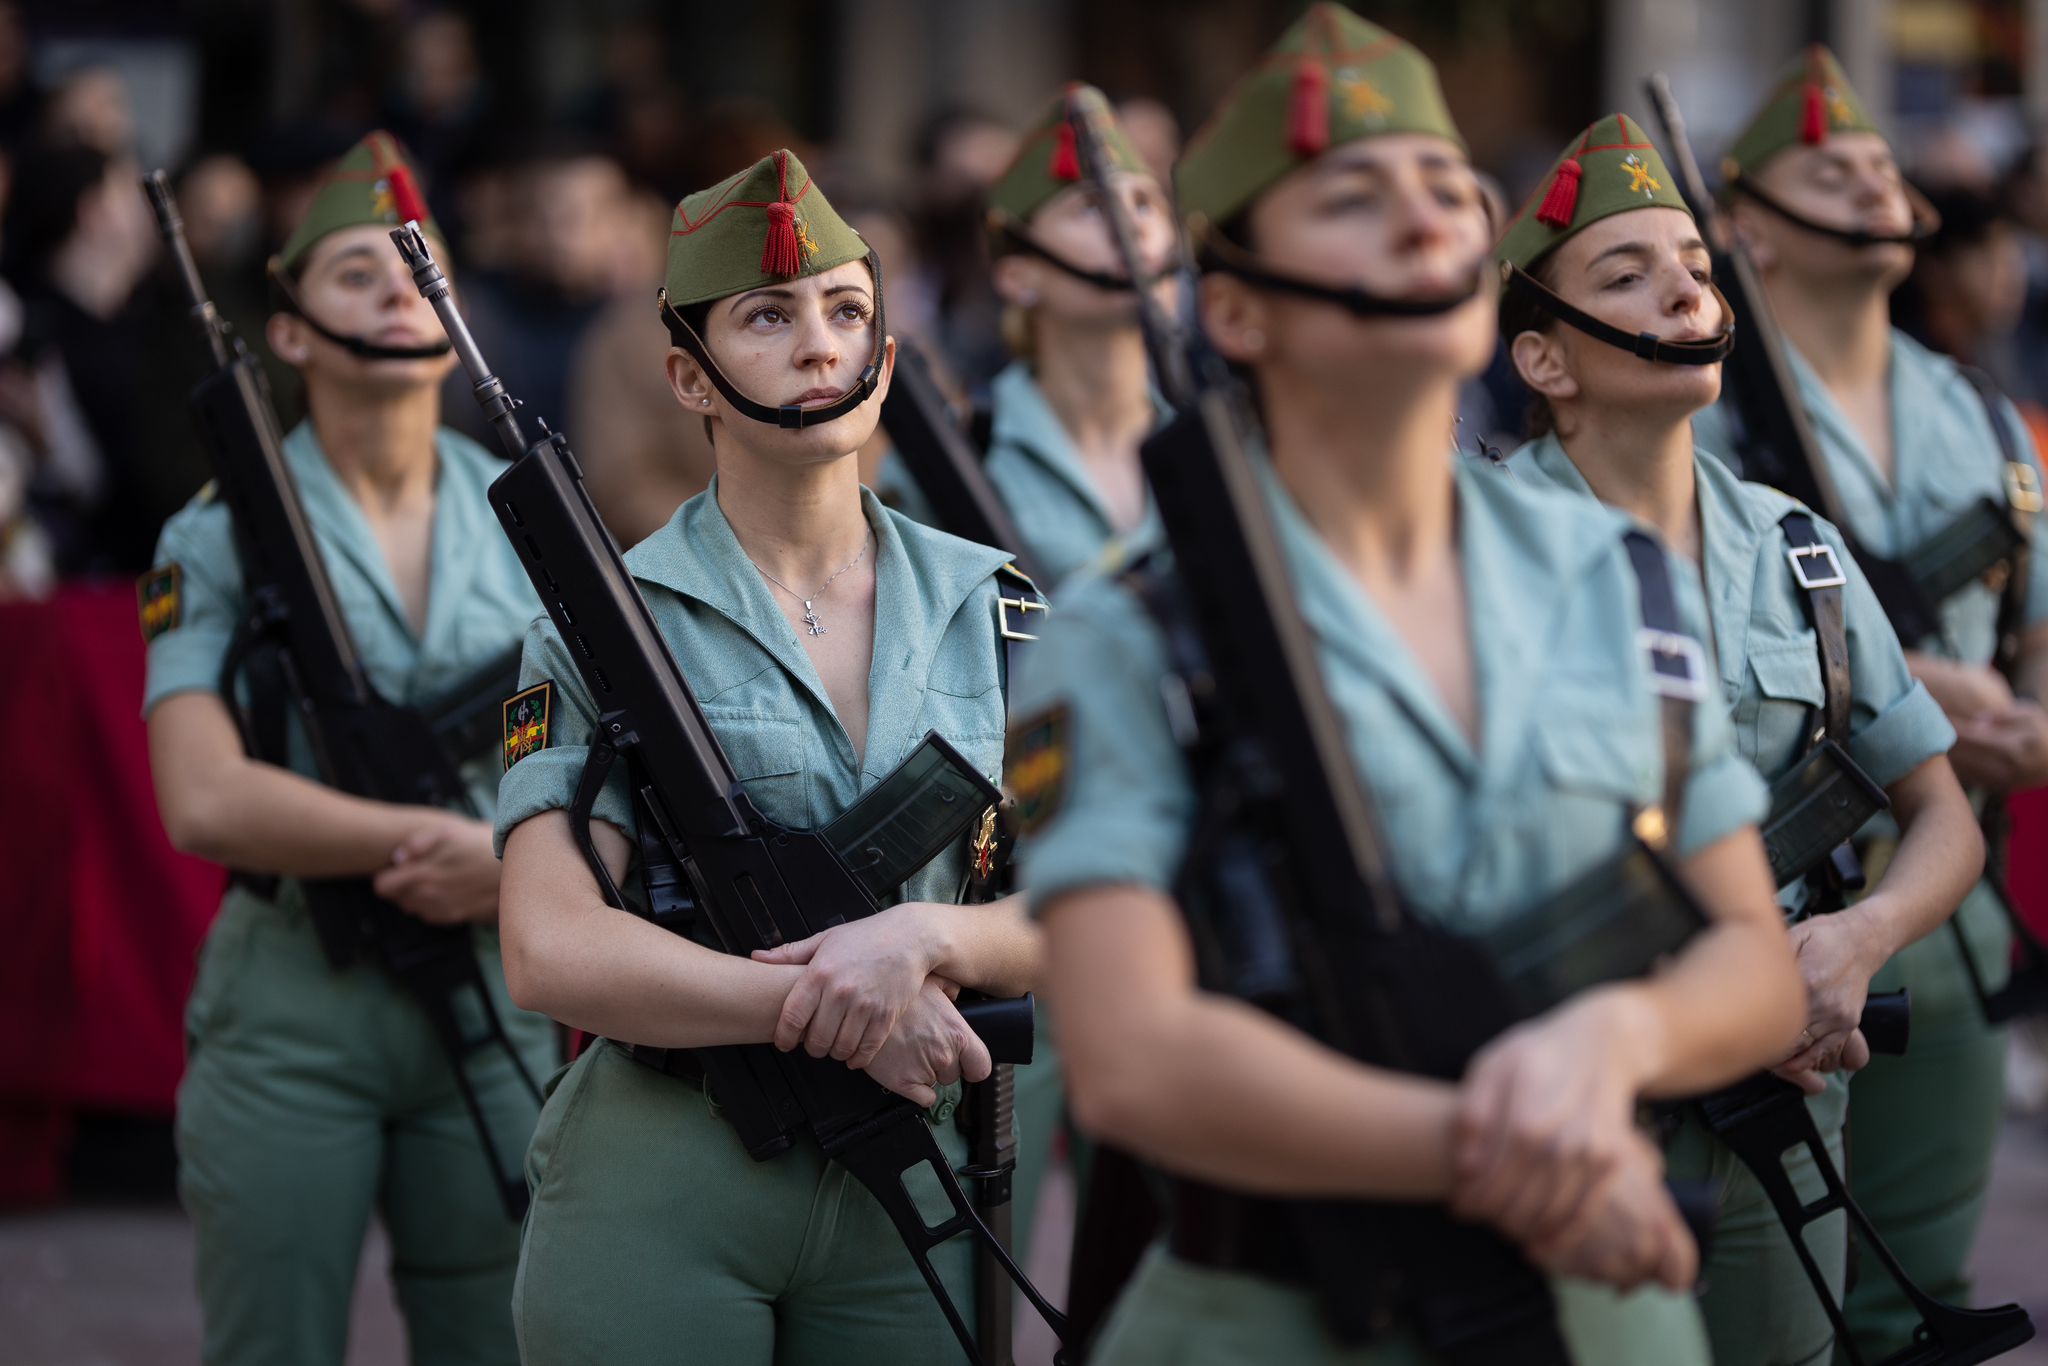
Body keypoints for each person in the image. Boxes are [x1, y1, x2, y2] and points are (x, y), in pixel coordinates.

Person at [1011, 7, 1806, 1364]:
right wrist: (1508, 1145)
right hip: (1280, 1312)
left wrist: (1615, 1038)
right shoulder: (1121, 625)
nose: (1426, 216)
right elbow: (1130, 1056)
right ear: (1239, 307)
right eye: (1354, 195)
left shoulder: (1613, 568)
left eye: (1448, 188)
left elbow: (1753, 964)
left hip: (1604, 1309)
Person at [493, 148, 1046, 1364]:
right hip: (667, 1170)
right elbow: (548, 944)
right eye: (767, 315)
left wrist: (927, 939)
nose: (816, 345)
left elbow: (1090, 898)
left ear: (886, 362)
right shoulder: (600, 627)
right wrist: (830, 1006)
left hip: (921, 1168)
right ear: (689, 377)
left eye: (847, 313)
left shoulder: (1004, 612)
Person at [1497, 113, 1979, 1366]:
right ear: (1543, 360)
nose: (1678, 287)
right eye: (1624, 274)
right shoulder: (1467, 551)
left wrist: (1852, 939)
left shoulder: (1796, 547)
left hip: (1783, 1092)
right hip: (1559, 1094)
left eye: (1694, 268)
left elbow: (1942, 816)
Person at [141, 131, 554, 1366]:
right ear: (288, 334)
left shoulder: (532, 520)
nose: (393, 293)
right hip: (292, 1007)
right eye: (354, 275)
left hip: (496, 985)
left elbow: (613, 763)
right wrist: (437, 842)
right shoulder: (216, 534)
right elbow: (200, 795)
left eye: (415, 274)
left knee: (499, 1337)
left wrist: (518, 869)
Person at [1693, 48, 2048, 1355]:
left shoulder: (1976, 411)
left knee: (1918, 1295)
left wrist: (2025, 718)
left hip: (1949, 906)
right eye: (1825, 166)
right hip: (1786, 901)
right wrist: (1915, 686)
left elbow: (2038, 615)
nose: (1868, 177)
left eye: (1881, 164)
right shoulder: (1697, 411)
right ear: (1748, 227)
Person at [977, 82, 1176, 590]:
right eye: (1090, 207)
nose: (1132, 226)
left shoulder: (1228, 444)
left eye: (1145, 203)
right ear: (1017, 275)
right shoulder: (967, 454)